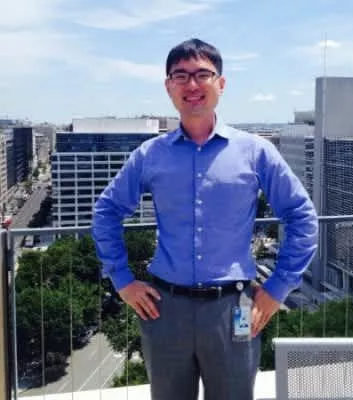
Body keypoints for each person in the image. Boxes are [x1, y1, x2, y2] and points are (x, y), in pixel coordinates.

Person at [92, 38, 318, 400]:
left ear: (221, 83)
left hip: (235, 308)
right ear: (168, 86)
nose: (192, 84)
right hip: (164, 309)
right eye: (180, 76)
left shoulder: (255, 152)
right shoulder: (150, 155)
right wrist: (122, 280)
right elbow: (107, 211)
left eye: (202, 74)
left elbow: (301, 215)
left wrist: (278, 288)